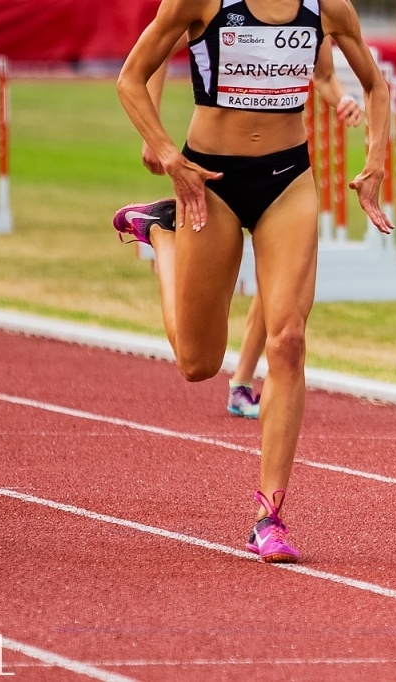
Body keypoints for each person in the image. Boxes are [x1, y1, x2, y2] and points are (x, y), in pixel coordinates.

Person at [111, 0, 393, 563]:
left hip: (289, 178)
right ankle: (160, 236)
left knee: (289, 339)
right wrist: (167, 155)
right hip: (211, 179)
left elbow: (376, 83)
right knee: (197, 363)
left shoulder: (326, 1)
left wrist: (375, 167)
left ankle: (270, 516)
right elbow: (132, 79)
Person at [134, 34, 364, 420]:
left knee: (283, 305)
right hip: (217, 169)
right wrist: (153, 135)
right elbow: (152, 53)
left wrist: (341, 99)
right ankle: (162, 233)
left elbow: (323, 75)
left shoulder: (310, 2)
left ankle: (243, 383)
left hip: (285, 171)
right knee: (196, 363)